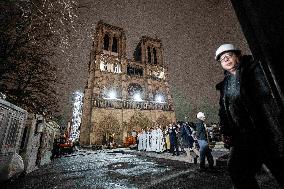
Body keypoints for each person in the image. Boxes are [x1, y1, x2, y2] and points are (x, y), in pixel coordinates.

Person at [215, 44, 284, 188]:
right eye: (222, 59)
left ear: (238, 56)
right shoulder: (225, 84)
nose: (226, 59)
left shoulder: (255, 69)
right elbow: (223, 110)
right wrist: (225, 130)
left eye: (228, 55)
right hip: (243, 135)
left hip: (265, 131)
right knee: (237, 169)